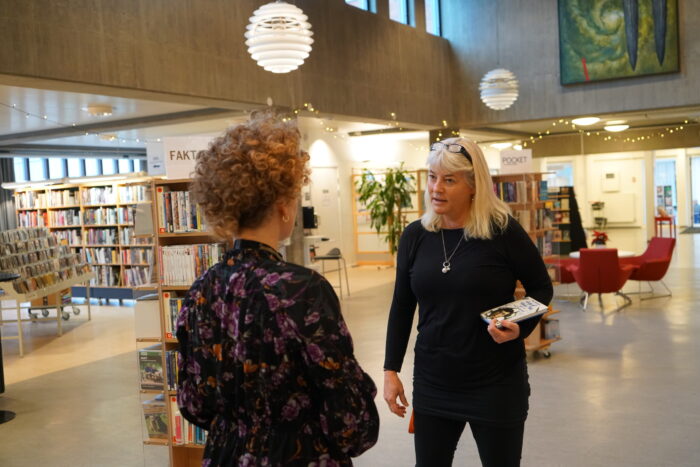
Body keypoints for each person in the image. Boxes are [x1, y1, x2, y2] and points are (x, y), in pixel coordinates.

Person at [176, 113, 379, 466]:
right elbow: (350, 418)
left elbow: (194, 404)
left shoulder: (200, 290)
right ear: (283, 206)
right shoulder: (301, 290)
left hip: (225, 455)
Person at [383, 137, 553, 467]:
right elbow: (402, 305)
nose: (436, 188)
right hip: (434, 380)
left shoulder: (503, 231)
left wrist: (517, 325)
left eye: (449, 180)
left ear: (474, 185)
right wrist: (391, 369)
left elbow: (541, 288)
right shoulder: (415, 236)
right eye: (432, 177)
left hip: (495, 381)